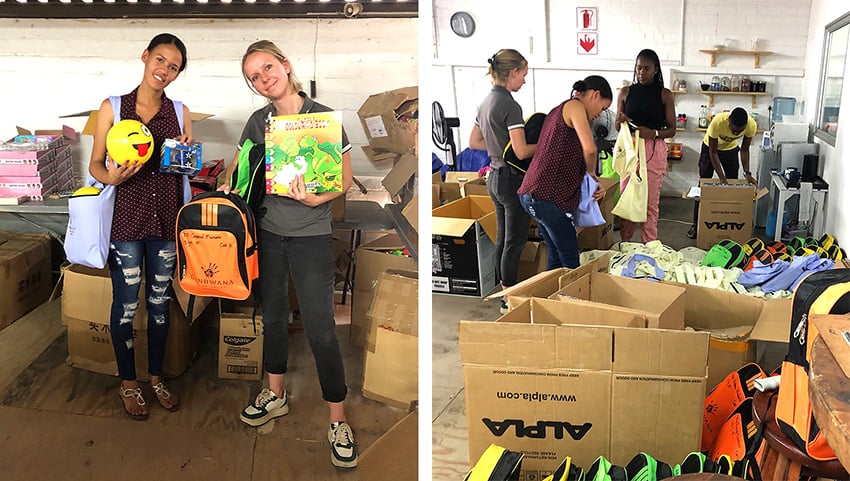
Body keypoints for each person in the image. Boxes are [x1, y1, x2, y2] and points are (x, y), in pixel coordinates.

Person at [220, 40, 357, 469]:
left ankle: (338, 417)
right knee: (274, 318)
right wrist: (230, 185)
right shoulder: (257, 121)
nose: (264, 79)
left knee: (320, 329)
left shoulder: (321, 118)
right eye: (255, 77)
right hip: (267, 233)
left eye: (268, 68)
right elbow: (238, 169)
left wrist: (320, 200)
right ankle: (275, 394)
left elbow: (346, 180)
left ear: (285, 64)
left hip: (311, 236)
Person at [88, 33, 191, 419]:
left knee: (160, 304)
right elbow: (95, 163)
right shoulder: (112, 107)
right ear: (145, 56)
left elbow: (186, 170)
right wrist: (109, 178)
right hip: (126, 223)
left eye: (174, 67)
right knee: (126, 307)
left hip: (166, 219)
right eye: (160, 60)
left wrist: (185, 155)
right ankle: (128, 384)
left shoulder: (180, 112)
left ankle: (156, 377)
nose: (164, 70)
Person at [517, 76, 611, 269]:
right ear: (595, 95)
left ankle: (552, 297)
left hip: (534, 195)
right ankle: (568, 297)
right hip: (544, 196)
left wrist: (590, 181)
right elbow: (590, 149)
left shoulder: (557, 111)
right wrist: (592, 176)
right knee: (570, 260)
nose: (600, 115)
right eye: (602, 108)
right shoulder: (574, 107)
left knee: (557, 258)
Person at [468, 49, 536, 312]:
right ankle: (509, 299)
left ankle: (501, 290)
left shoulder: (485, 101)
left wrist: (497, 149)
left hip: (493, 178)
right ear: (513, 72)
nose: (524, 81)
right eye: (524, 75)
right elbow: (521, 152)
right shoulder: (510, 105)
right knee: (514, 241)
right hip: (511, 180)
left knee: (502, 239)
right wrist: (543, 145)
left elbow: (474, 142)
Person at [616, 49, 676, 243]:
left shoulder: (665, 95)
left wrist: (655, 133)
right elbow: (617, 126)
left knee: (650, 203)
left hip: (653, 147)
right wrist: (623, 120)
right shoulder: (625, 92)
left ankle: (649, 247)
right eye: (639, 68)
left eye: (647, 68)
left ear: (656, 70)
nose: (641, 72)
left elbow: (672, 129)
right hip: (630, 147)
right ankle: (625, 244)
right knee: (628, 199)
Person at [687, 107, 758, 238]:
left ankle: (729, 222)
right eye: (733, 129)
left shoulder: (751, 125)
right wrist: (721, 178)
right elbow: (713, 152)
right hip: (709, 148)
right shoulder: (718, 122)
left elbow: (744, 150)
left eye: (739, 131)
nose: (735, 132)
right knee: (703, 186)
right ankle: (696, 225)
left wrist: (747, 173)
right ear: (728, 121)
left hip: (730, 150)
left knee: (732, 186)